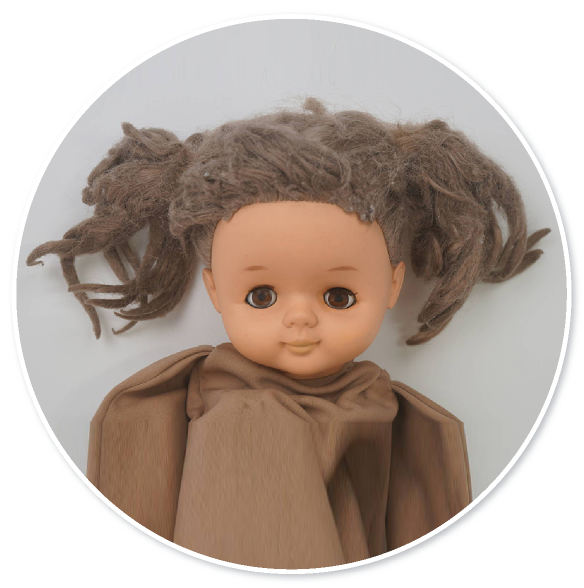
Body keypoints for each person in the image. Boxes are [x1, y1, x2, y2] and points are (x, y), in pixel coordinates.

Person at [27, 98, 549, 568]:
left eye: (338, 296)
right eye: (262, 296)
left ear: (393, 284)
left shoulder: (408, 420)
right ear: (214, 290)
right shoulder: (225, 419)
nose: (300, 319)